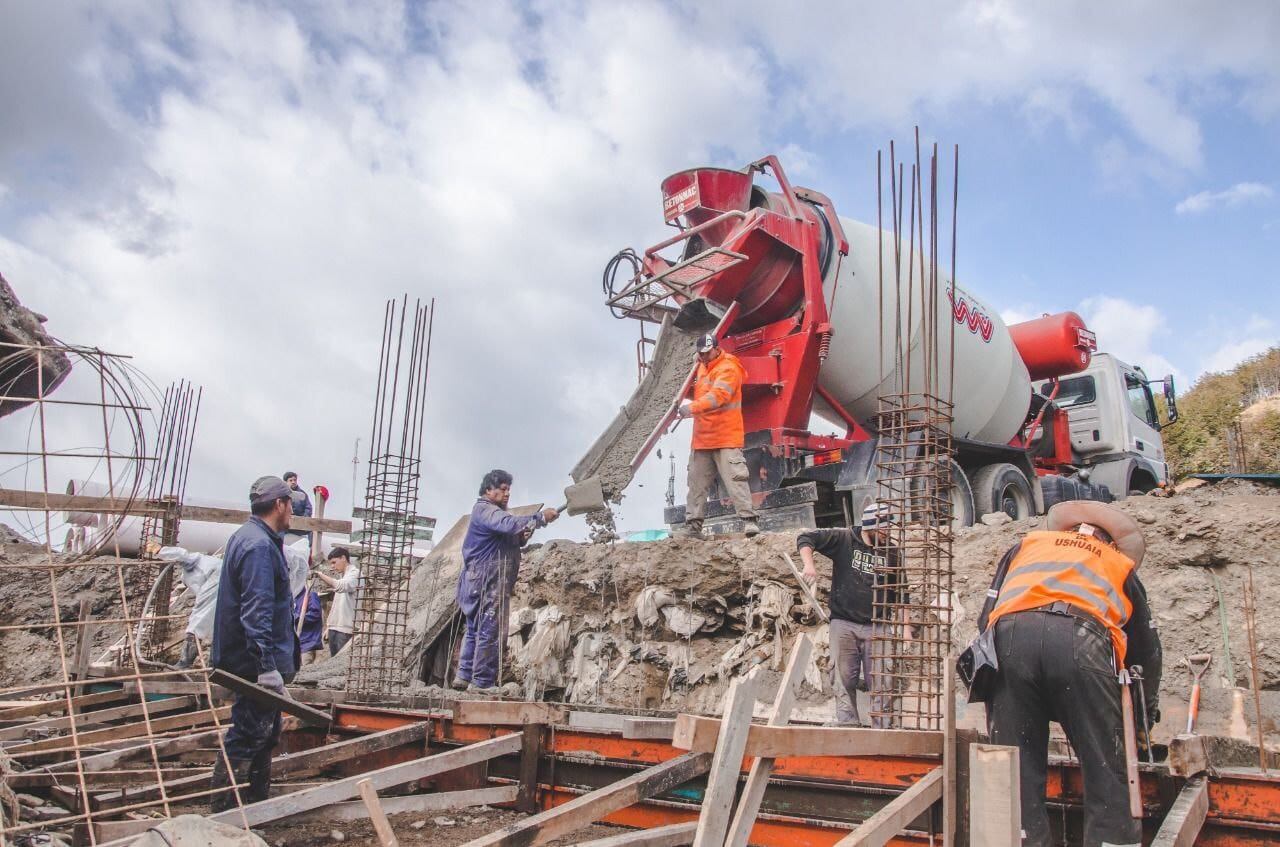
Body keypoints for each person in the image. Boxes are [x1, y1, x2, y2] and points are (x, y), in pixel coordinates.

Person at [972, 500, 1162, 847]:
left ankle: (1019, 838)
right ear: (1110, 540)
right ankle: (1111, 840)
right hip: (1082, 639)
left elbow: (986, 617)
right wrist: (1142, 720)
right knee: (1105, 761)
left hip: (1011, 637)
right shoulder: (1118, 563)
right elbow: (1145, 652)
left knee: (1015, 763)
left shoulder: (1025, 546)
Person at [209, 476, 300, 812]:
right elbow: (256, 611)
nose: (292, 510)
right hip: (253, 664)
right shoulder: (259, 547)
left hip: (252, 660)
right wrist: (266, 668)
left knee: (265, 733)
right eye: (290, 504)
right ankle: (224, 812)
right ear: (279, 504)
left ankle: (256, 804)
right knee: (248, 734)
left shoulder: (252, 538)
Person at [796, 501, 901, 726]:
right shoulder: (844, 540)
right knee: (843, 680)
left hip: (878, 626)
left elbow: (900, 593)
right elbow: (806, 539)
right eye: (885, 529)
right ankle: (848, 726)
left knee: (882, 681)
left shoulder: (891, 552)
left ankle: (882, 731)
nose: (888, 534)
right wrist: (809, 565)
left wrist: (907, 627)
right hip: (844, 623)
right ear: (871, 526)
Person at [453, 469, 557, 694]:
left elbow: (512, 536)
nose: (507, 493)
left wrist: (522, 536)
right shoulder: (485, 510)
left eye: (508, 489)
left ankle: (464, 675)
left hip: (479, 578)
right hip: (488, 578)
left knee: (474, 628)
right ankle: (482, 682)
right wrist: (539, 517)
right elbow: (509, 524)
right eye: (502, 489)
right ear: (488, 490)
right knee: (491, 628)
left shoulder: (492, 515)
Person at [675, 333, 759, 538]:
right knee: (696, 483)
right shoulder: (702, 366)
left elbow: (718, 397)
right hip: (702, 438)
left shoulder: (729, 368)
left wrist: (691, 408)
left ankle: (749, 521)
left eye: (706, 353)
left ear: (716, 349)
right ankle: (693, 526)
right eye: (700, 354)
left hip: (725, 437)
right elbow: (698, 391)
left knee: (735, 480)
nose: (703, 357)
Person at [313, 547, 360, 656]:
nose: (333, 567)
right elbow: (336, 606)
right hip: (336, 628)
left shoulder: (355, 574)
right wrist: (329, 626)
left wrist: (320, 575)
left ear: (343, 558)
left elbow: (341, 586)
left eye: (334, 562)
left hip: (345, 629)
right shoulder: (343, 576)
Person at [294, 583, 324, 666]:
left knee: (307, 672)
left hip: (309, 644)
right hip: (297, 644)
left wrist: (297, 618)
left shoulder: (311, 595)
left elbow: (315, 614)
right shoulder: (293, 598)